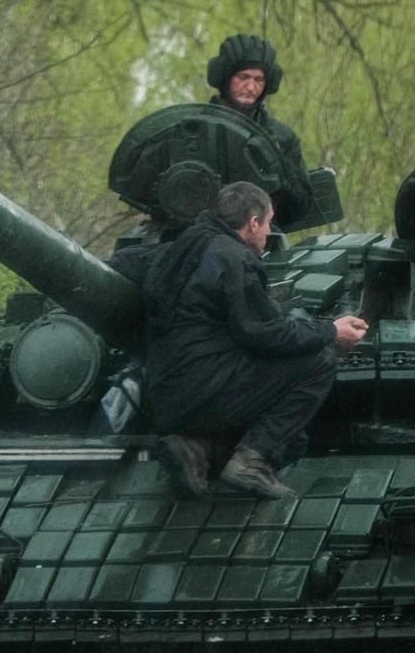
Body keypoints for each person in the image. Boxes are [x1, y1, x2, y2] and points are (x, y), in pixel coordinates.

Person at [137, 182, 368, 499]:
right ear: (253, 223)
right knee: (319, 361)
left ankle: (197, 451)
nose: (268, 233)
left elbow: (126, 264)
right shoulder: (234, 257)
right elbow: (264, 334)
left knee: (294, 438)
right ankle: (252, 462)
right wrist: (331, 331)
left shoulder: (178, 247)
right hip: (207, 394)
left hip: (164, 400)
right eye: (269, 223)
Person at [207, 33, 313, 227]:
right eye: (243, 77)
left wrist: (281, 168)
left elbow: (300, 207)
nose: (251, 87)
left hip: (260, 239)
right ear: (225, 77)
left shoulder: (282, 138)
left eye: (258, 79)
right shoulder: (195, 131)